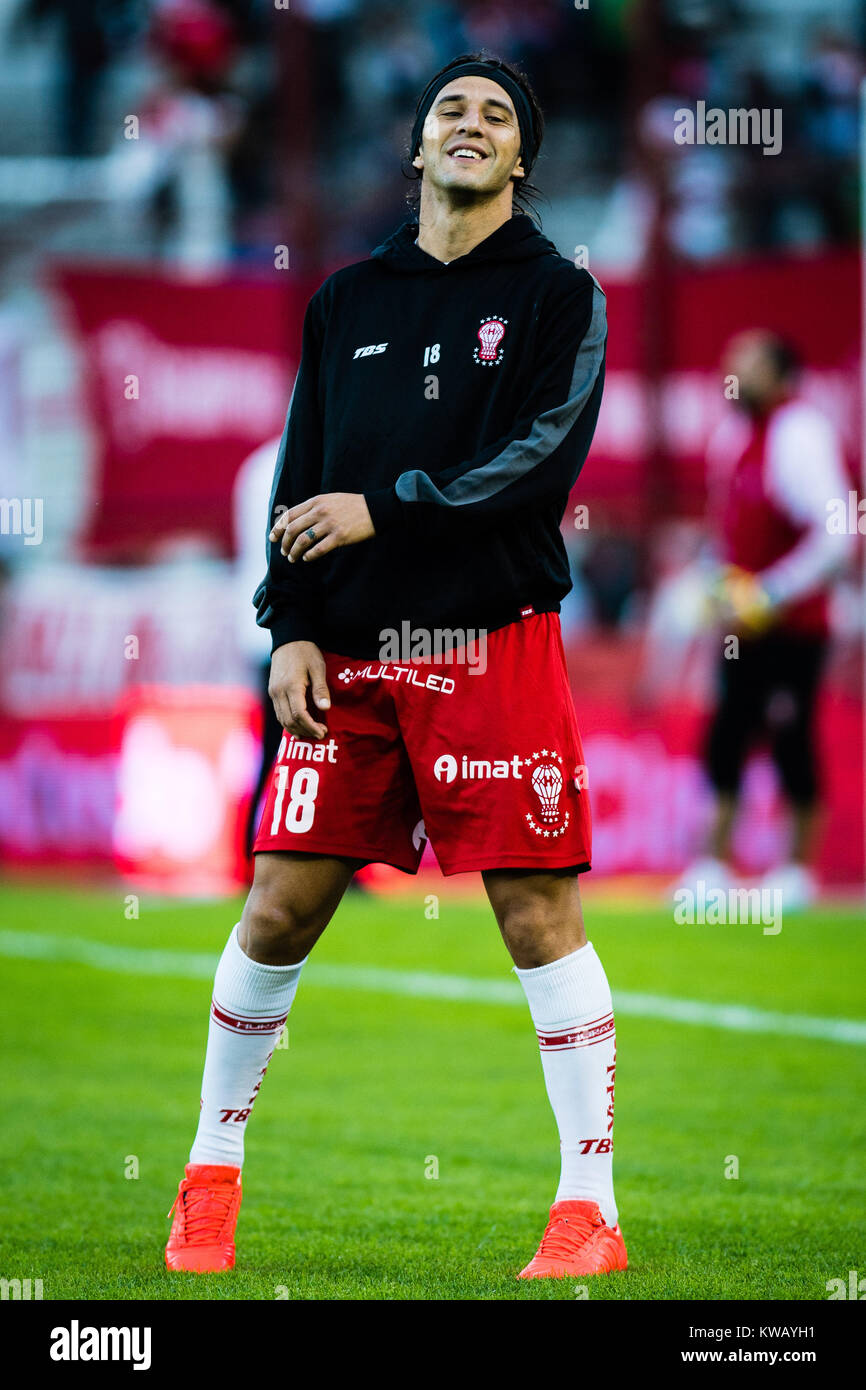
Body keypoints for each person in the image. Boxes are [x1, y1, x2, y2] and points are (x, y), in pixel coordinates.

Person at [165, 52, 624, 1281]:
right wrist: (288, 623)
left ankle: (589, 1207)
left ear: (519, 159)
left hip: (491, 647)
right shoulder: (344, 299)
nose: (469, 125)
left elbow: (537, 464)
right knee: (279, 904)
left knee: (535, 914)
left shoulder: (560, 296)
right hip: (349, 657)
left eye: (496, 116)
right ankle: (209, 1174)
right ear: (417, 149)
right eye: (448, 112)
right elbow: (299, 467)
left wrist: (389, 509)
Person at [680, 330, 854, 908]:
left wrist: (771, 593)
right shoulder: (730, 437)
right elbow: (725, 529)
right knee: (725, 737)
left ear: (782, 376)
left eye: (749, 364)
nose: (734, 373)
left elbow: (838, 535)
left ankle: (798, 870)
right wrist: (715, 585)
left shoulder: (801, 435)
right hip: (740, 626)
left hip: (795, 626)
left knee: (790, 738)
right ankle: (712, 865)